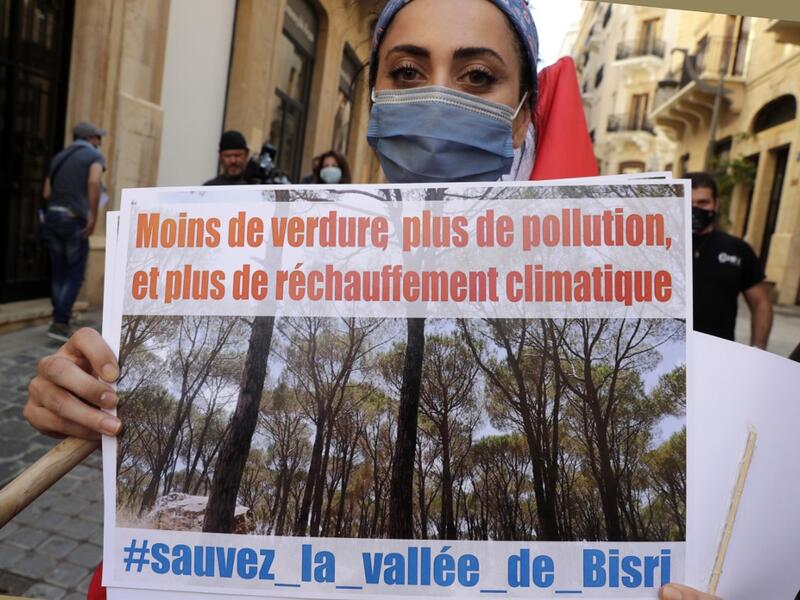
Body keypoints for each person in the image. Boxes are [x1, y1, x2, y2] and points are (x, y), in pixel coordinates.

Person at [25, 1, 600, 597]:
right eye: (406, 72)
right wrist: (92, 398)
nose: (436, 101)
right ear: (375, 94)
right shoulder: (263, 252)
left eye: (477, 76)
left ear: (523, 114)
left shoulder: (610, 280)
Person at [40, 121, 107, 342]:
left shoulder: (59, 157)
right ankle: (60, 323)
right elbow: (94, 181)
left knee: (59, 271)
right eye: (98, 137)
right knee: (75, 274)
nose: (100, 141)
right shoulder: (94, 156)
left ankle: (60, 317)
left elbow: (47, 192)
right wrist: (93, 215)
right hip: (73, 219)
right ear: (91, 138)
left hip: (52, 217)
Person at [689, 171, 773, 349]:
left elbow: (761, 303)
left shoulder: (738, 249)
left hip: (721, 355)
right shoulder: (657, 248)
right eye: (687, 202)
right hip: (670, 353)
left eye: (702, 202)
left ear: (716, 204)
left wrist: (758, 351)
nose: (694, 208)